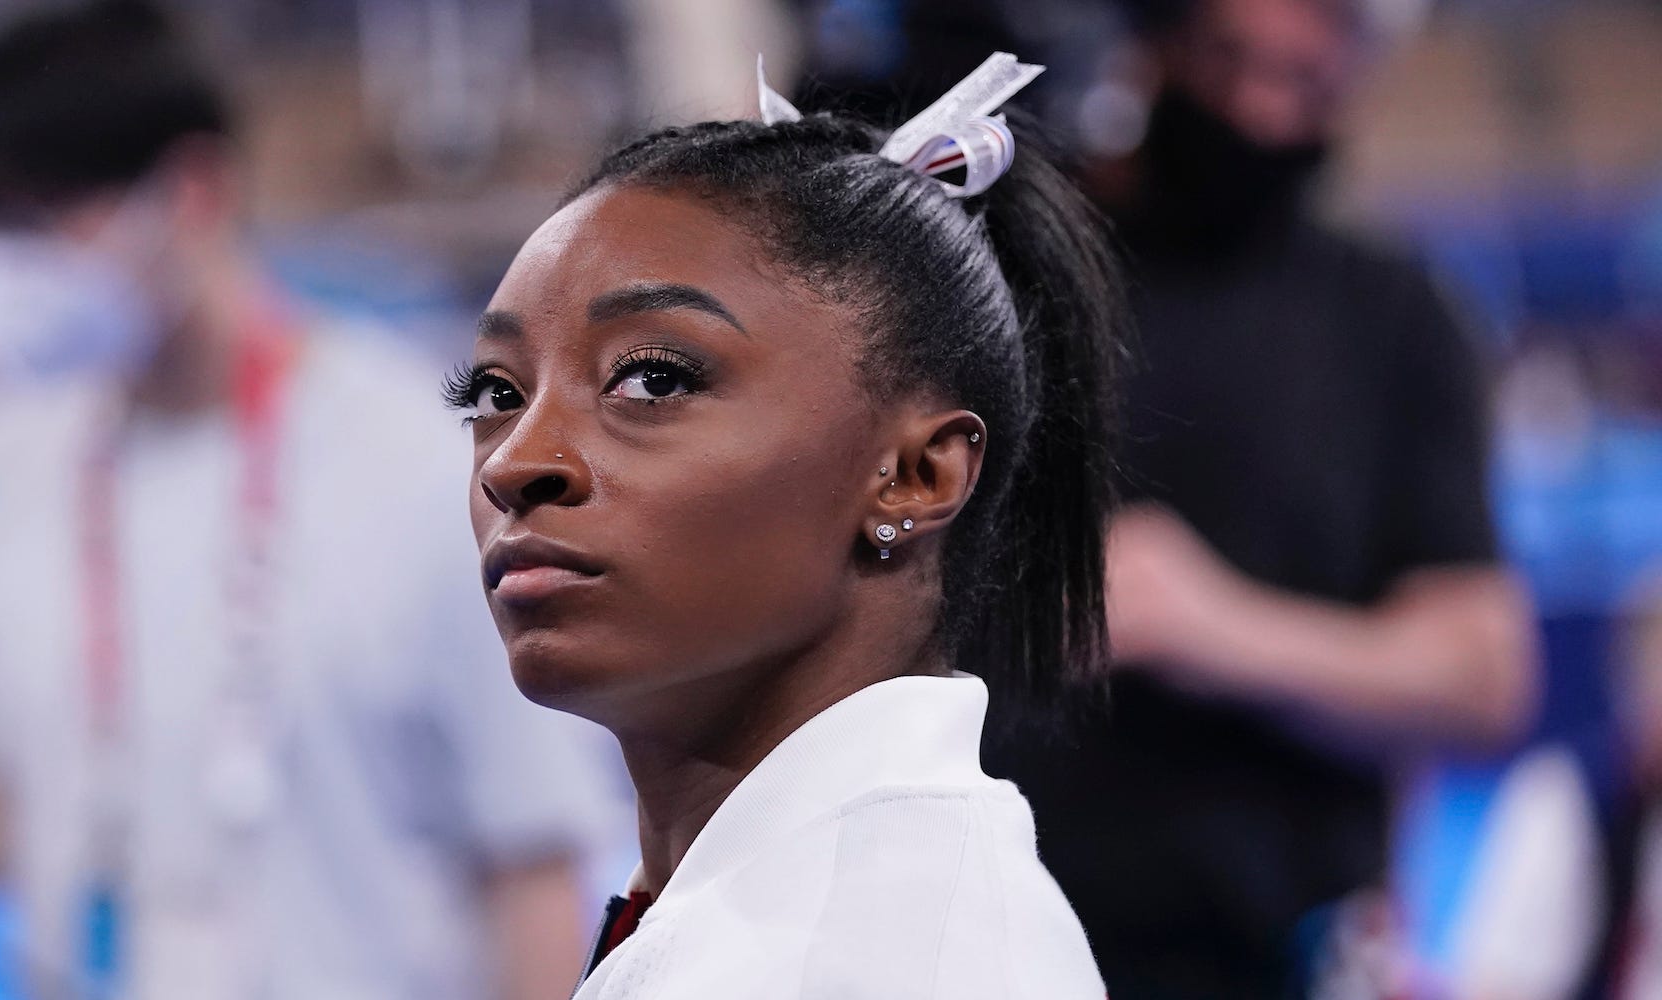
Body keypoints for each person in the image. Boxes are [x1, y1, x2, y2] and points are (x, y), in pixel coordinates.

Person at [0, 3, 611, 997]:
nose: (3, 272)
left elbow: (530, 859)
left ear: (189, 189)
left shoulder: (420, 462)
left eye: (37, 221)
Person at [453, 53, 1116, 997]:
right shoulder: (769, 919)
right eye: (495, 392)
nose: (517, 461)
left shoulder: (858, 958)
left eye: (653, 378)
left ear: (915, 476)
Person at [989, 0, 1541, 995]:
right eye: (1222, 59)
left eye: (1301, 82)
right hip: (1000, 928)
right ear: (1152, 45)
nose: (1251, 108)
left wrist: (1212, 627)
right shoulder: (1019, 267)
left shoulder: (1388, 317)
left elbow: (1480, 676)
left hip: (1270, 945)